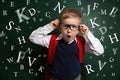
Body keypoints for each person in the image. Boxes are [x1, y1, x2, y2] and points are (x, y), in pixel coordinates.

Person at [29, 8, 104, 80]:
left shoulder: (82, 42)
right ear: (60, 27)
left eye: (73, 26)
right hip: (54, 77)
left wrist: (87, 34)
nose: (69, 30)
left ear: (79, 29)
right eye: (65, 26)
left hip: (75, 78)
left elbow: (99, 51)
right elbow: (32, 38)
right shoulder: (52, 40)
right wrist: (50, 27)